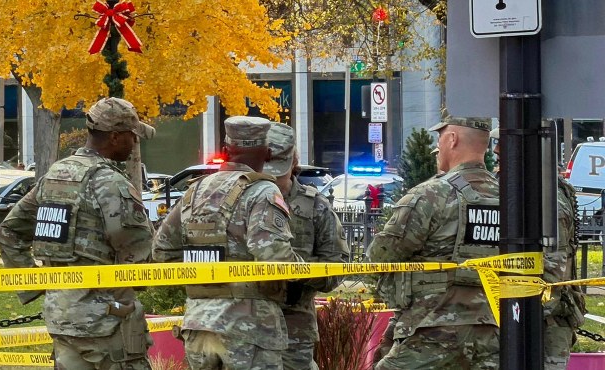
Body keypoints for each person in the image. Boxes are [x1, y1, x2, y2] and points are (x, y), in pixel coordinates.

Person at [0, 97, 156, 370]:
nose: (135, 142)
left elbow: (8, 232)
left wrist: (36, 284)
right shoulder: (110, 183)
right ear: (115, 137)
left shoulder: (55, 175)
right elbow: (140, 250)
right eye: (132, 135)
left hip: (61, 316)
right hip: (108, 322)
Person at [153, 115, 298, 370]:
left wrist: (202, 277)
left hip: (199, 325)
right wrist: (304, 269)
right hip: (248, 327)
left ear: (226, 149)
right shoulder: (263, 191)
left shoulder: (195, 190)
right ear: (267, 153)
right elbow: (274, 256)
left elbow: (162, 251)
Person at [369, 116, 499, 370]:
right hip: (493, 332)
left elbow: (381, 256)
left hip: (432, 329)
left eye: (440, 136)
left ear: (452, 139)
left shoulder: (431, 194)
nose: (437, 144)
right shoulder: (510, 197)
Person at [489, 128, 584, 370]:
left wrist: (521, 315)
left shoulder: (546, 196)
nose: (497, 150)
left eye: (504, 143)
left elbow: (553, 265)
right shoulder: (525, 188)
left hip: (543, 323)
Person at [263, 122, 349, 370]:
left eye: (277, 169)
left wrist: (295, 269)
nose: (271, 177)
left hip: (294, 327)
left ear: (293, 162)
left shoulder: (315, 206)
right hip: (244, 326)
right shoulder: (243, 202)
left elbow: (337, 267)